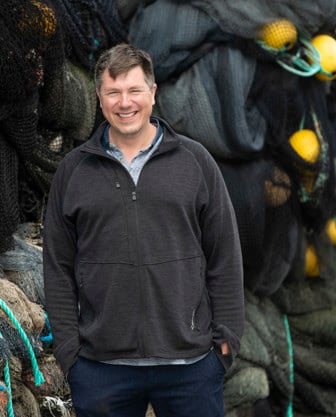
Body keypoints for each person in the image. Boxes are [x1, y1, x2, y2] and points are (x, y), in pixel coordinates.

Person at [43, 43, 244, 417]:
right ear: (99, 98)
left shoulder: (194, 161)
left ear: (153, 93)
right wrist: (70, 354)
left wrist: (226, 342)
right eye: (113, 92)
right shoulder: (74, 171)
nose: (125, 103)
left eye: (134, 90)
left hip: (191, 366)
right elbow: (57, 266)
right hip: (101, 370)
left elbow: (225, 255)